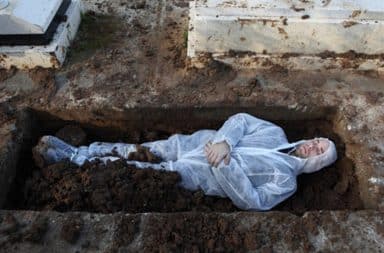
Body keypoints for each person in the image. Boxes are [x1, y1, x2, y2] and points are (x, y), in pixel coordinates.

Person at [33, 113, 337, 211]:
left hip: (200, 175)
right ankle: (83, 152)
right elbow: (242, 121)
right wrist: (224, 142)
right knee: (134, 150)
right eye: (317, 140)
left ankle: (71, 162)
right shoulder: (275, 133)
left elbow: (254, 202)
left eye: (319, 150)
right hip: (194, 143)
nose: (313, 145)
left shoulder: (286, 181)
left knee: (138, 171)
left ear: (317, 163)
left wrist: (225, 164)